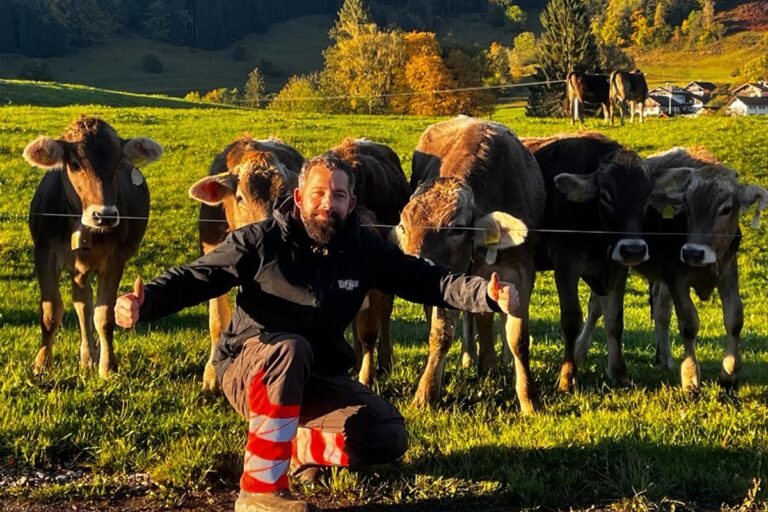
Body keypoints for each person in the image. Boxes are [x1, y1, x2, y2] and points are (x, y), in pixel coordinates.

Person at [115, 151, 520, 512]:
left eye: (339, 196)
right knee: (289, 348)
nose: (328, 203)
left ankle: (295, 446)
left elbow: (426, 280)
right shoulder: (260, 241)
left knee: (386, 436)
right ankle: (259, 488)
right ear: (299, 198)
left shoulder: (362, 247)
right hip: (250, 370)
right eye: (319, 194)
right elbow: (197, 277)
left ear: (351, 203)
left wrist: (485, 293)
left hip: (317, 376)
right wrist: (145, 302)